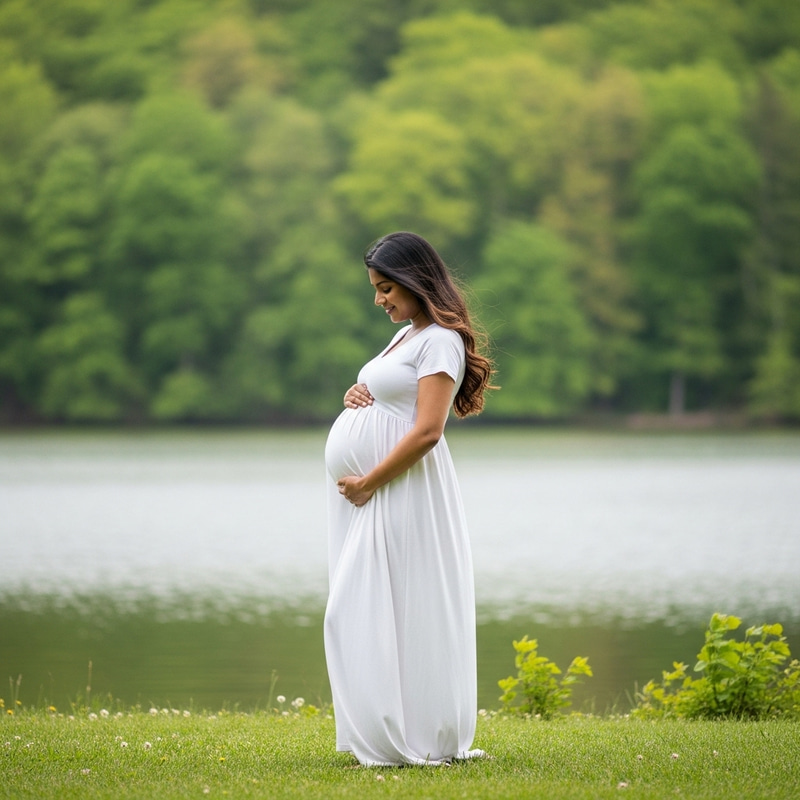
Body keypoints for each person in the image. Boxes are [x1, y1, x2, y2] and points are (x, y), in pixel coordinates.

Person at [323, 231, 495, 766]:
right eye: (376, 289)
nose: (380, 300)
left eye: (386, 288)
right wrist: (357, 397)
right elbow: (391, 398)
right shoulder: (409, 335)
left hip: (400, 490)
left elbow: (427, 431)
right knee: (375, 605)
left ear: (415, 282)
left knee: (389, 605)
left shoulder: (439, 339)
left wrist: (371, 480)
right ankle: (386, 729)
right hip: (376, 493)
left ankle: (420, 736)